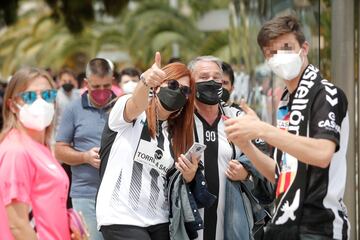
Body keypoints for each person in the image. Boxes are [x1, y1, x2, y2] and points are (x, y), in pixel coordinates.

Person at [224, 15, 350, 240]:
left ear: (304, 48)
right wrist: (247, 145)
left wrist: (262, 129)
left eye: (287, 48)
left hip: (319, 227)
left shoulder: (326, 94)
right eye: (272, 52)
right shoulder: (285, 102)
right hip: (285, 225)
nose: (280, 57)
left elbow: (322, 154)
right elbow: (279, 175)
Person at [96, 52, 198, 240]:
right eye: (173, 85)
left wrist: (189, 174)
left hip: (159, 219)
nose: (178, 92)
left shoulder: (175, 134)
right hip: (121, 216)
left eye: (185, 90)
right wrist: (145, 81)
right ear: (158, 85)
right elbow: (136, 103)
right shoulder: (131, 116)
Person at [188, 56, 271, 240]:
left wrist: (246, 171)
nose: (212, 81)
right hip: (190, 227)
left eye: (217, 77)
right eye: (203, 77)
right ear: (190, 82)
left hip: (233, 225)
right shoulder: (180, 121)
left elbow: (266, 162)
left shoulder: (237, 118)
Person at [0, 68, 72, 239]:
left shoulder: (41, 147)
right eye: (30, 97)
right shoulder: (16, 151)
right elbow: (18, 225)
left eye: (47, 95)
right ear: (12, 105)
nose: (41, 103)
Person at [55, 58, 116, 240]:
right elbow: (59, 150)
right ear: (86, 83)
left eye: (106, 86)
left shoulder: (122, 108)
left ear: (112, 81)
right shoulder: (72, 110)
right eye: (96, 87)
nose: (101, 92)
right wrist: (85, 157)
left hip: (118, 196)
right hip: (85, 194)